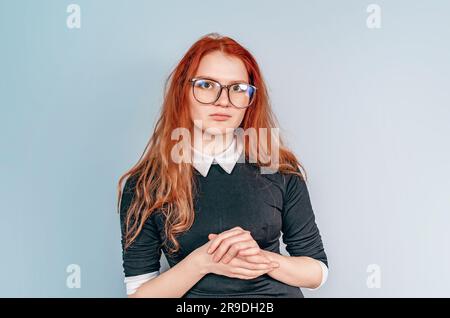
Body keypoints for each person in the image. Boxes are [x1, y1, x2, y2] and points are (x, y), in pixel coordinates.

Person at [117, 33, 328, 298]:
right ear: (183, 91)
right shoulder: (146, 184)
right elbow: (139, 293)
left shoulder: (277, 168)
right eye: (206, 85)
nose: (223, 100)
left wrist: (263, 259)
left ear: (250, 99)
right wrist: (201, 262)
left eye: (237, 88)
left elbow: (317, 271)